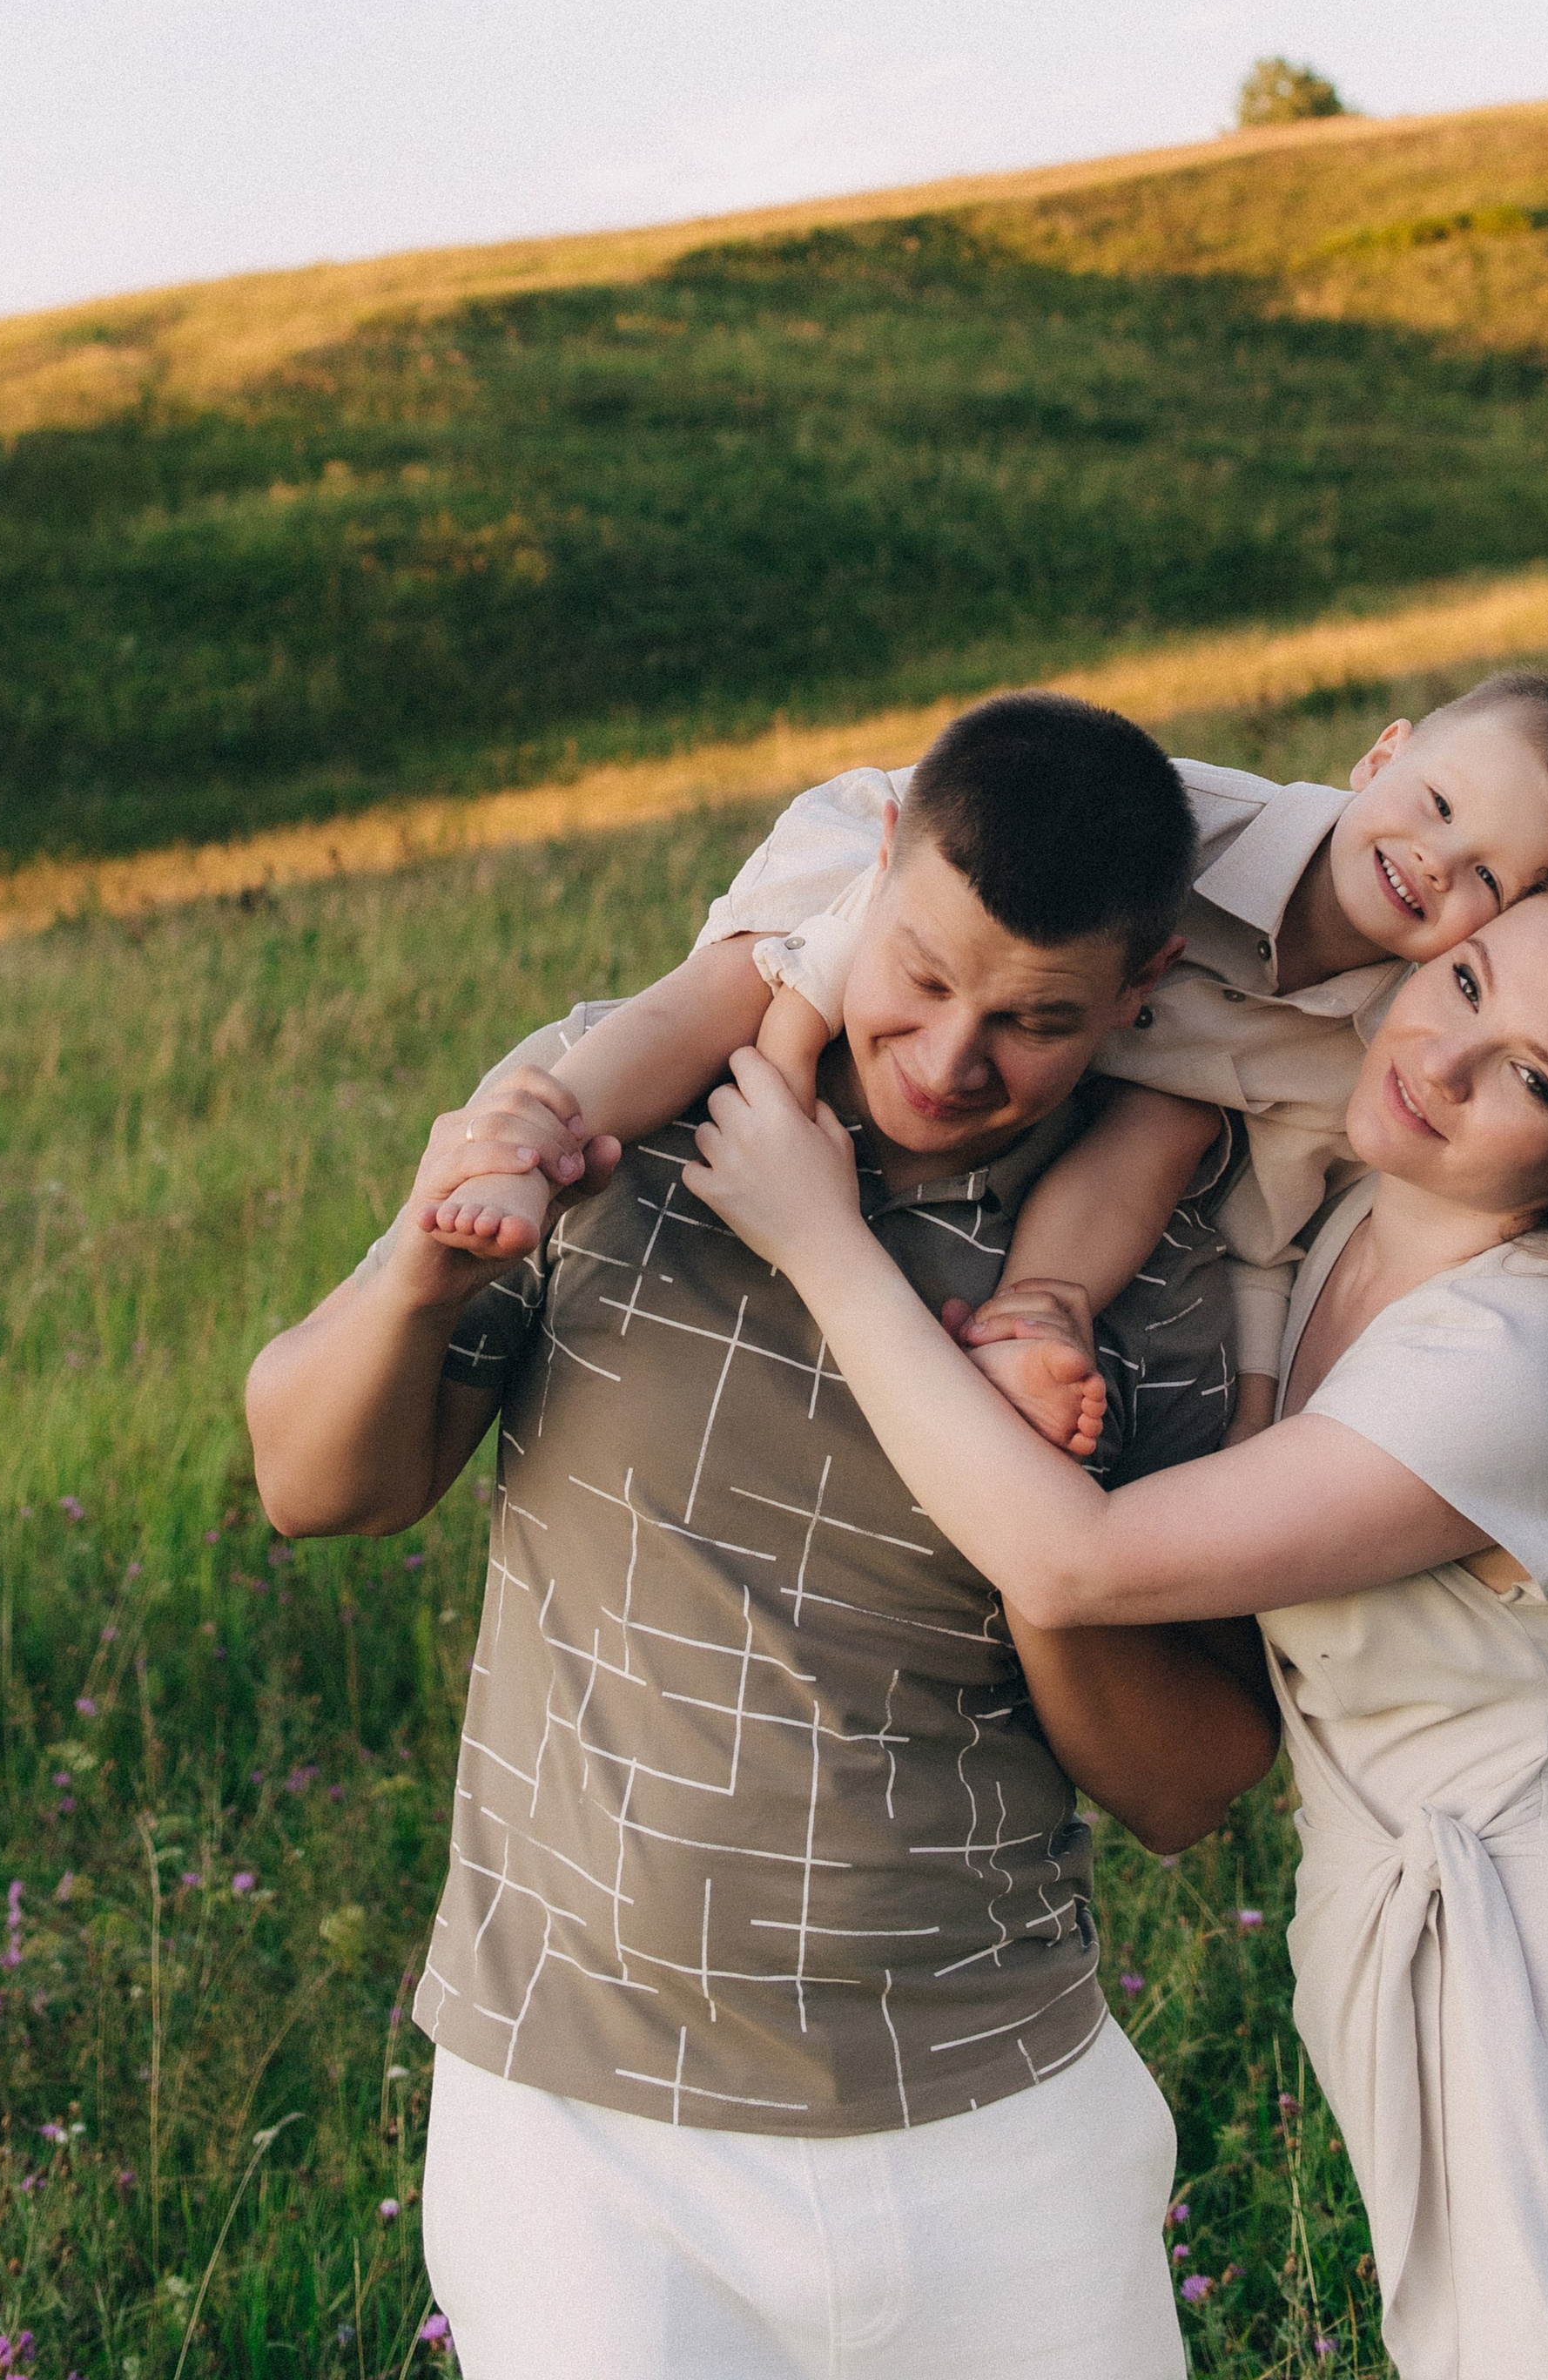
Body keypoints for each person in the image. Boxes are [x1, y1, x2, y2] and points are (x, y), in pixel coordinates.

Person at [684, 854, 1548, 2379]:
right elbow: (1163, 851)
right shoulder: (1342, 1209)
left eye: (1525, 1074)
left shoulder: (1524, 1362)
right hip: (1422, 1973)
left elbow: (1076, 1564)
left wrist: (819, 1241)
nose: (1437, 1065)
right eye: (1462, 984)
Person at [246, 692, 1279, 2380]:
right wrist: (422, 1272)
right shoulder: (616, 1105)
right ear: (867, 869)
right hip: (585, 2140)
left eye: (1034, 1019)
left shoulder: (1153, 1257)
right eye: (925, 975)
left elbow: (1187, 1787)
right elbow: (311, 1482)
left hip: (997, 2122)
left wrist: (1040, 1517)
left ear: (1145, 987)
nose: (951, 1060)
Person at [426, 669, 1548, 1453]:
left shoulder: (1366, 1048)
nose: (1436, 860)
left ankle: (1036, 1308)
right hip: (902, 883)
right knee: (733, 985)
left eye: (1486, 875)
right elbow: (934, 878)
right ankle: (535, 1138)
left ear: (1506, 926)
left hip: (1108, 1062)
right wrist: (792, 1058)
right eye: (1437, 804)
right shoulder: (1182, 818)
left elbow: (1266, 1231)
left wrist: (1250, 1409)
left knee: (1178, 1128)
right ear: (1382, 758)